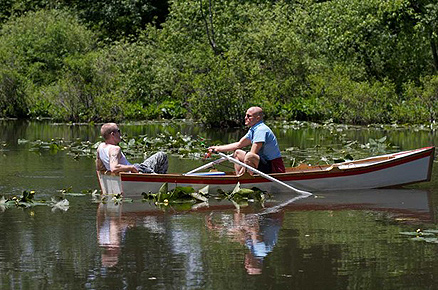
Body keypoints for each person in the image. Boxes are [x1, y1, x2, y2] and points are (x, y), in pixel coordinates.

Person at [208, 106, 285, 175]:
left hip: (274, 167)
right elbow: (239, 144)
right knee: (237, 152)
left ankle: (244, 177)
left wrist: (244, 168)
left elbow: (252, 153)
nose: (245, 118)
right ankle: (240, 177)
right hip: (263, 164)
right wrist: (218, 148)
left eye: (249, 116)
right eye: (246, 115)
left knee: (250, 156)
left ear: (257, 118)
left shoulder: (261, 130)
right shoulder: (253, 129)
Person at [96, 122, 168, 174]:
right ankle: (160, 182)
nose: (120, 134)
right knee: (161, 155)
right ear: (113, 134)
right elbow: (114, 168)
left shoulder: (100, 147)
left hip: (134, 170)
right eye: (118, 131)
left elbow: (99, 167)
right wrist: (132, 168)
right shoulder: (115, 149)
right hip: (136, 170)